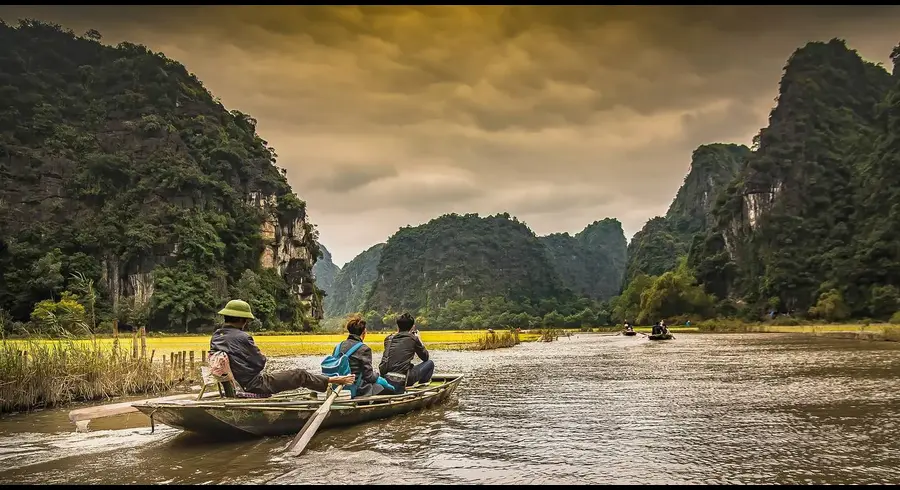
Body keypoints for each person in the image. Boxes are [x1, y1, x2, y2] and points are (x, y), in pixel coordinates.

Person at [209, 299, 354, 396]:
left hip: (234, 386)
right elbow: (260, 363)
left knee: (288, 375)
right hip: (254, 385)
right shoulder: (243, 337)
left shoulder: (216, 336)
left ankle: (330, 380)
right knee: (299, 374)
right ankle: (334, 380)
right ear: (243, 320)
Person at [335, 315, 395, 397]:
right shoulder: (364, 349)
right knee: (383, 388)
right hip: (355, 388)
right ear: (363, 332)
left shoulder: (338, 346)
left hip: (338, 387)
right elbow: (369, 376)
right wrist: (378, 376)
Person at [379, 312, 434, 393]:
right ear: (412, 327)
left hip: (386, 377)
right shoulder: (413, 339)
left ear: (397, 326)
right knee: (430, 363)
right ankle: (422, 387)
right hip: (405, 378)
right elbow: (425, 357)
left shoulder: (388, 339)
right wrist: (420, 340)